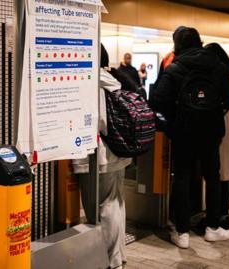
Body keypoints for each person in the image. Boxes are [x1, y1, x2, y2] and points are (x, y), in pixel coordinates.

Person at [150, 26, 229, 249]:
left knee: (182, 177)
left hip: (183, 132)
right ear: (199, 41)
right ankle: (213, 228)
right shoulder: (218, 66)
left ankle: (182, 232)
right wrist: (213, 114)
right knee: (213, 176)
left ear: (177, 43)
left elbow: (157, 102)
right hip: (212, 131)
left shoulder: (175, 67)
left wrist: (173, 122)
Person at [73, 44, 131, 269]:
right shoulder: (112, 79)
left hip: (101, 153)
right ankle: (118, 255)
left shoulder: (91, 81)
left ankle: (108, 260)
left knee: (101, 207)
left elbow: (98, 121)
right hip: (119, 150)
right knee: (116, 203)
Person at [204, 43, 229, 230]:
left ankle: (219, 215)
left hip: (223, 126)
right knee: (223, 174)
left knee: (218, 172)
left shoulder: (221, 74)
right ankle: (222, 213)